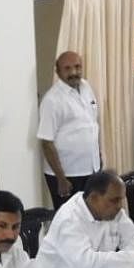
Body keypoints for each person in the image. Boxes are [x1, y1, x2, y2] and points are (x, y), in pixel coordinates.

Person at [37, 171, 134, 268]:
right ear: (94, 198)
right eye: (114, 200)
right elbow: (87, 263)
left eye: (121, 200)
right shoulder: (69, 219)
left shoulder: (114, 212)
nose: (120, 206)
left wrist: (132, 259)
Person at [37, 51, 101, 209]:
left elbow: (91, 125)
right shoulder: (52, 100)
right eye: (67, 68)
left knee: (92, 216)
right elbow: (46, 142)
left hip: (91, 169)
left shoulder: (86, 87)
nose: (74, 72)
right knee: (69, 222)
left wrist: (97, 156)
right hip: (68, 176)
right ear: (58, 72)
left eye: (77, 67)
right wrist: (61, 178)